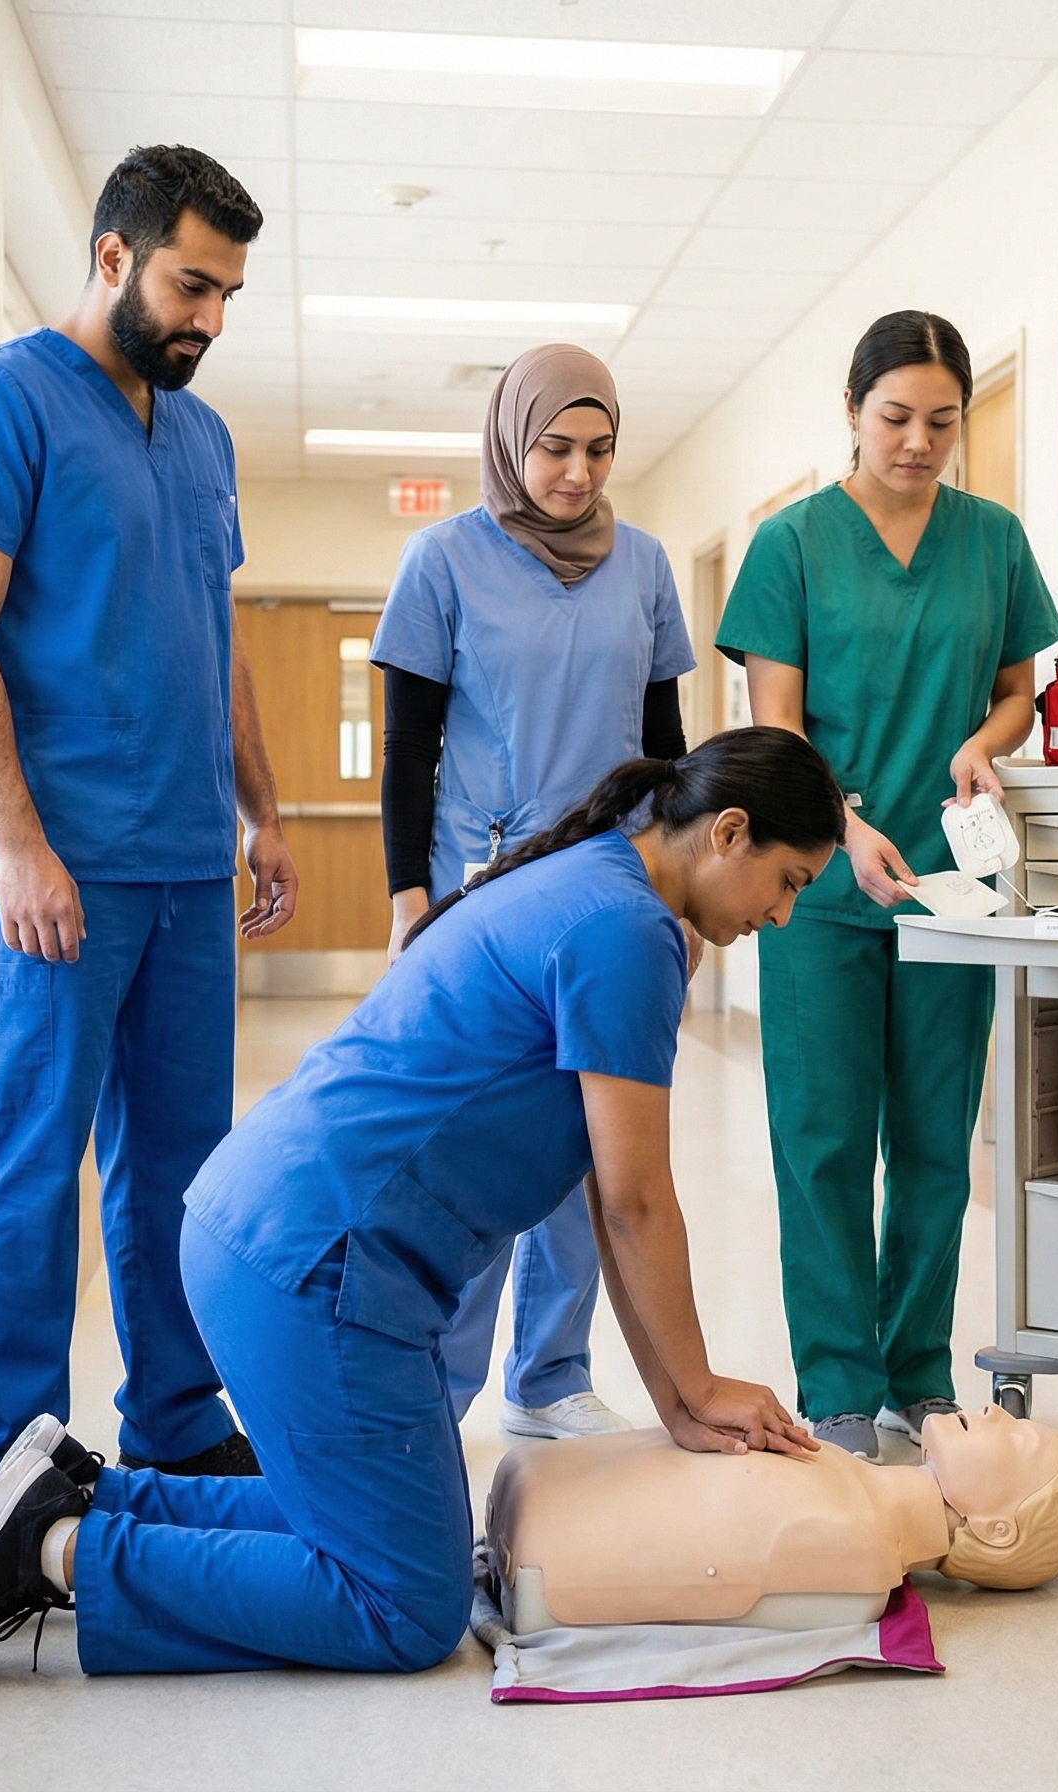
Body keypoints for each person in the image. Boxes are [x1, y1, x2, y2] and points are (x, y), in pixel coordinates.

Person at [0, 729, 846, 1682]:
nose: (781, 914)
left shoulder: (598, 881)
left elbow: (615, 1201)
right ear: (729, 833)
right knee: (408, 1603)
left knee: (374, 1522)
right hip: (313, 1269)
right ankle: (46, 1556)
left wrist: (680, 1401)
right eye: (790, 882)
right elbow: (640, 1204)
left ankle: (80, 1503)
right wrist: (702, 1386)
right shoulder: (627, 933)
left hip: (266, 1234)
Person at [0, 145, 296, 1508]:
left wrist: (260, 810)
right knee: (28, 1163)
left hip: (187, 864)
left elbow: (216, 632)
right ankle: (8, 1474)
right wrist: (15, 840)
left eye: (231, 292)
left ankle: (177, 1421)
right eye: (195, 283)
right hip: (52, 869)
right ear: (117, 257)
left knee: (181, 1173)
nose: (211, 318)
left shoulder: (201, 436)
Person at [718, 311, 1058, 1461]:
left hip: (947, 887)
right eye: (895, 418)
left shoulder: (993, 539)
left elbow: (1020, 691)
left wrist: (985, 746)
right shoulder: (792, 543)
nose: (918, 442)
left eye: (943, 421)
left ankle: (917, 1368)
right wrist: (847, 824)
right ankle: (839, 1382)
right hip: (817, 879)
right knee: (822, 1133)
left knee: (931, 1138)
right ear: (854, 414)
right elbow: (777, 724)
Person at [372, 344, 694, 1444]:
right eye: (555, 446)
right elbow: (406, 747)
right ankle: (435, 1388)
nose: (576, 473)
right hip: (481, 888)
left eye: (599, 449)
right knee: (474, 1146)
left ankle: (552, 1375)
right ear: (512, 439)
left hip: (606, 887)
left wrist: (683, 902)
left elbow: (666, 748)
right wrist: (407, 894)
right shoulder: (442, 560)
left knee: (584, 1139)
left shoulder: (645, 565)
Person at [485, 1404, 1058, 1632]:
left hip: (545, 1544)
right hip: (541, 1498)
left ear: (996, 1528)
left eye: (1015, 1439)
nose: (995, 1409)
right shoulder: (847, 1481)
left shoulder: (859, 1556)